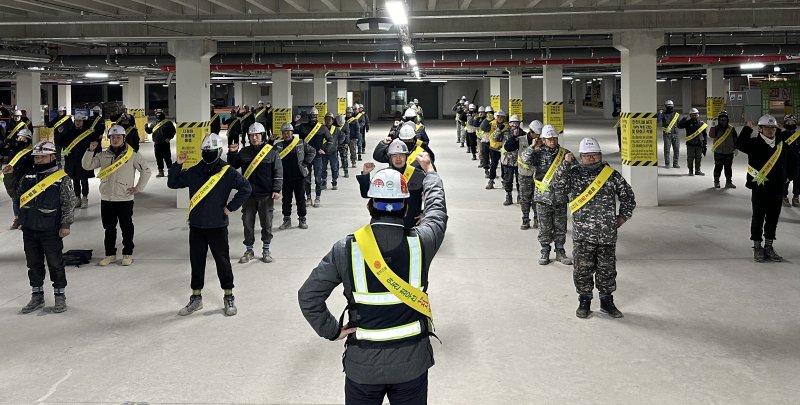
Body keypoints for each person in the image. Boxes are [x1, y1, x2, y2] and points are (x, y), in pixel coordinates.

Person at [298, 153, 446, 405]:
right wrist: (430, 172)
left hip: (362, 367)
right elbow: (437, 211)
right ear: (407, 207)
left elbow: (309, 296)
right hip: (412, 365)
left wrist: (332, 331)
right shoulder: (422, 243)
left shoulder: (345, 249)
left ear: (370, 206)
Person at [168, 133, 252, 316]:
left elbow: (246, 188)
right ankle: (196, 298)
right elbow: (172, 183)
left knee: (223, 262)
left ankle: (228, 296)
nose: (208, 154)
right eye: (205, 151)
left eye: (212, 151)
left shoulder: (227, 172)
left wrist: (231, 207)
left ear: (219, 151)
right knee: (196, 263)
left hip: (217, 227)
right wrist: (178, 164)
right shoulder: (194, 171)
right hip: (196, 226)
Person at [554, 137, 636, 319]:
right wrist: (565, 165)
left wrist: (623, 217)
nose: (591, 158)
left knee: (607, 270)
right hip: (583, 235)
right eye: (587, 155)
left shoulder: (611, 175)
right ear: (580, 157)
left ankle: (607, 301)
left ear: (600, 155)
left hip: (606, 234)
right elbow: (557, 189)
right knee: (582, 270)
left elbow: (628, 196)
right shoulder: (573, 174)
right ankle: (585, 300)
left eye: (595, 154)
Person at [17, 140, 75, 314]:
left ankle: (60, 297)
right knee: (33, 265)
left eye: (42, 157)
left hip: (51, 229)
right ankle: (37, 296)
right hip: (29, 229)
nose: (39, 160)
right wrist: (20, 218)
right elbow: (18, 197)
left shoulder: (61, 178)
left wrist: (66, 224)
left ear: (52, 156)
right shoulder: (27, 177)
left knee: (55, 264)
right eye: (37, 157)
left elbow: (68, 203)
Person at [83, 125, 152, 266]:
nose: (115, 140)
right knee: (109, 228)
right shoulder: (103, 155)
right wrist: (90, 150)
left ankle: (127, 253)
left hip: (124, 198)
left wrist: (138, 188)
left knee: (126, 227)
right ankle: (110, 254)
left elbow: (146, 171)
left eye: (118, 137)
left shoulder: (132, 154)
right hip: (107, 198)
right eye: (112, 137)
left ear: (123, 138)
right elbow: (87, 166)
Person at [736, 115, 792, 263]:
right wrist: (747, 128)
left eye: (773, 128)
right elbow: (739, 144)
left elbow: (793, 161)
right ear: (760, 129)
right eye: (766, 127)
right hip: (760, 188)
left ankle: (769, 246)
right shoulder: (754, 144)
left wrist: (789, 176)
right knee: (758, 218)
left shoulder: (782, 144)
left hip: (778, 189)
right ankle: (757, 247)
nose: (770, 130)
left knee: (773, 219)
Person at [228, 122, 283, 264]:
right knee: (247, 223)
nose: (254, 138)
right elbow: (233, 167)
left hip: (266, 195)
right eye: (252, 135)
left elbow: (278, 172)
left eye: (257, 135)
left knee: (267, 223)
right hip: (248, 195)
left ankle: (266, 250)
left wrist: (276, 189)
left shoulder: (271, 152)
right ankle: (249, 250)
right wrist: (233, 153)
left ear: (263, 136)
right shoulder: (244, 152)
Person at [520, 124, 573, 265]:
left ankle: (560, 251)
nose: (552, 141)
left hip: (560, 197)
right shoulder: (537, 153)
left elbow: (575, 173)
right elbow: (524, 160)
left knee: (560, 226)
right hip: (543, 197)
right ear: (543, 139)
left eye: (554, 138)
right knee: (545, 226)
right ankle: (545, 251)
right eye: (549, 139)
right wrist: (532, 146)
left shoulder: (565, 154)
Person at [359, 139, 426, 229]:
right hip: (386, 224)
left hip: (411, 225)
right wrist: (365, 174)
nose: (398, 158)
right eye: (394, 155)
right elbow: (365, 194)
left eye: (401, 155)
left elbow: (431, 196)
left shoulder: (418, 175)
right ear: (390, 158)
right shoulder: (382, 175)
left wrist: (425, 214)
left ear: (406, 156)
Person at [275, 123, 316, 230]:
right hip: (285, 177)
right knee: (286, 199)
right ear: (282, 134)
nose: (287, 134)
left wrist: (306, 162)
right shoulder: (279, 145)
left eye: (289, 132)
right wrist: (270, 141)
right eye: (284, 132)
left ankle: (302, 219)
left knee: (300, 198)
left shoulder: (300, 142)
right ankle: (287, 219)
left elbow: (312, 151)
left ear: (292, 133)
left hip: (299, 177)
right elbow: (269, 153)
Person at [505, 120, 542, 230]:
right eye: (537, 133)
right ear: (531, 132)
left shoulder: (542, 141)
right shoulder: (521, 140)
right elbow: (508, 147)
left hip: (538, 175)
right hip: (524, 175)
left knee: (537, 198)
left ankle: (537, 218)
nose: (539, 136)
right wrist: (513, 136)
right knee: (525, 198)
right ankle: (525, 218)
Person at [60, 112, 100, 209]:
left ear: (83, 121)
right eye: (76, 121)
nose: (78, 123)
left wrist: (95, 155)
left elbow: (95, 144)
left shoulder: (89, 132)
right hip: (72, 160)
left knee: (84, 179)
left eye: (80, 121)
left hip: (84, 159)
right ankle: (77, 198)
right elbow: (61, 142)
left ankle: (85, 198)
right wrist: (60, 133)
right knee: (75, 180)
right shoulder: (69, 131)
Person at [294, 108, 332, 207]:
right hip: (306, 158)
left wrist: (325, 150)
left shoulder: (322, 128)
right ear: (308, 116)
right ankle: (308, 197)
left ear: (317, 116)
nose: (313, 118)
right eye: (311, 116)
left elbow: (330, 140)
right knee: (306, 178)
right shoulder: (302, 127)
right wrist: (294, 121)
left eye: (314, 116)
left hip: (318, 157)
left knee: (318, 178)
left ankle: (318, 197)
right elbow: (291, 132)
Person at [2, 127, 34, 229]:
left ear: (28, 139)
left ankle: (25, 219)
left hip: (26, 178)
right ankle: (17, 219)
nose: (21, 140)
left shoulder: (31, 151)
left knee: (25, 199)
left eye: (24, 138)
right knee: (15, 199)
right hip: (13, 177)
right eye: (20, 138)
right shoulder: (13, 149)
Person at [708, 110, 738, 189]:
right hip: (718, 152)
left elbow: (735, 139)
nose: (723, 121)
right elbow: (711, 135)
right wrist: (712, 126)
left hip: (729, 152)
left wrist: (735, 148)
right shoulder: (716, 128)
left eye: (724, 119)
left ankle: (728, 182)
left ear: (727, 119)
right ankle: (716, 182)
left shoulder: (731, 129)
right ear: (719, 120)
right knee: (718, 167)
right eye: (721, 119)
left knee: (728, 168)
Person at [676, 108, 708, 176]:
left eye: (696, 115)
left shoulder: (701, 124)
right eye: (693, 115)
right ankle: (690, 171)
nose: (694, 116)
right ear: (690, 115)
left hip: (699, 143)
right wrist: (683, 119)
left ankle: (697, 170)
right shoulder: (687, 123)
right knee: (690, 158)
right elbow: (679, 126)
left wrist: (705, 144)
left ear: (698, 115)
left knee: (698, 158)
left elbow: (705, 135)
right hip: (690, 144)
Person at [145, 109, 175, 177]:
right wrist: (146, 128)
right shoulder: (154, 123)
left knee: (167, 158)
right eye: (157, 114)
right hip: (157, 144)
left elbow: (173, 131)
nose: (158, 115)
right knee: (158, 158)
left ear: (162, 114)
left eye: (160, 114)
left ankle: (170, 171)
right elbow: (149, 131)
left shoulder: (168, 123)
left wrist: (169, 138)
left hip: (165, 144)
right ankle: (161, 172)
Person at [320, 112, 344, 190]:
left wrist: (338, 143)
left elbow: (342, 136)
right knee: (323, 168)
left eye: (329, 119)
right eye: (326, 119)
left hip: (333, 152)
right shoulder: (321, 128)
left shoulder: (336, 129)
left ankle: (334, 181)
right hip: (323, 152)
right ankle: (324, 181)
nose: (328, 121)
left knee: (334, 167)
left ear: (332, 120)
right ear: (324, 120)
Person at [483, 108, 505, 189]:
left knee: (504, 166)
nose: (500, 118)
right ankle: (491, 181)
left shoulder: (506, 125)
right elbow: (483, 128)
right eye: (498, 117)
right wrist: (487, 119)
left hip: (503, 149)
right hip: (494, 148)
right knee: (493, 165)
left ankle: (504, 182)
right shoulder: (492, 124)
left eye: (501, 117)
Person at [781, 115, 799, 207]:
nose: (790, 124)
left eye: (792, 122)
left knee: (798, 180)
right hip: (785, 163)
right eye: (788, 122)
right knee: (785, 181)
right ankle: (784, 196)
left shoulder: (798, 136)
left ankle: (796, 197)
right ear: (784, 124)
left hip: (797, 163)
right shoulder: (781, 135)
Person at [658, 100, 681, 168]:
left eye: (670, 106)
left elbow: (679, 124)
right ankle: (667, 164)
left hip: (676, 134)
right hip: (667, 134)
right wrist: (659, 113)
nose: (669, 107)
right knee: (667, 150)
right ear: (665, 106)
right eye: (668, 106)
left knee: (676, 149)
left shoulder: (676, 114)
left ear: (673, 106)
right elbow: (658, 120)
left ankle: (675, 163)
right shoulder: (663, 114)